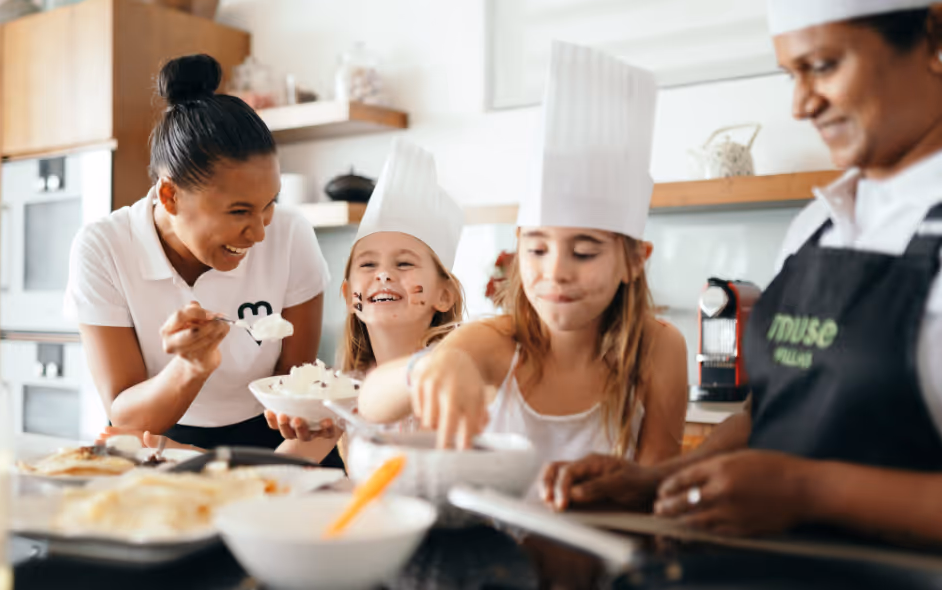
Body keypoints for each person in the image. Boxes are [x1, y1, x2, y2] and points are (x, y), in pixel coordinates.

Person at [546, 1, 942, 546]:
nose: (801, 105)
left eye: (823, 66)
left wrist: (809, 490)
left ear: (935, 38)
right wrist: (656, 481)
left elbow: (796, 473)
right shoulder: (817, 224)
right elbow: (770, 412)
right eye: (790, 75)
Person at [356, 43, 689, 488]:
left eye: (584, 252)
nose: (555, 272)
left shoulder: (659, 348)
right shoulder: (496, 342)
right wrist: (426, 368)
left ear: (633, 260)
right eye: (537, 250)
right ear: (518, 247)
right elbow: (374, 402)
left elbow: (652, 482)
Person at [65, 54, 339, 466]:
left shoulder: (289, 233)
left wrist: (307, 412)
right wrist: (190, 367)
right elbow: (125, 414)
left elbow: (295, 380)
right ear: (170, 196)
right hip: (160, 438)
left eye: (269, 204)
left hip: (267, 435)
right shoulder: (104, 247)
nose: (260, 232)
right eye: (238, 211)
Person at [264, 139, 470, 462]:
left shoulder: (454, 372)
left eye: (404, 263)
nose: (384, 275)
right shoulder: (344, 389)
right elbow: (284, 465)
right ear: (348, 296)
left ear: (445, 295)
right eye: (368, 264)